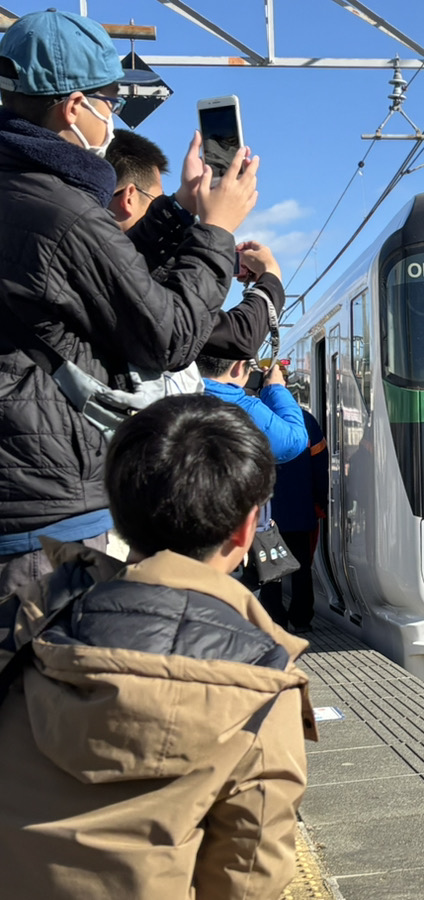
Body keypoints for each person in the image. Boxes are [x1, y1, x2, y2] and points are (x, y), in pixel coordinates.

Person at [0, 394, 315, 899]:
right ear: (246, 528)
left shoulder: (22, 625)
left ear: (117, 511)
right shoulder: (263, 684)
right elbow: (248, 880)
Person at [0, 10, 259, 594]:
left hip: (21, 486)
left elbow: (89, 276)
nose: (111, 118)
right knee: (50, 682)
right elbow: (167, 335)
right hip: (43, 514)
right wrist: (216, 231)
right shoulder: (59, 208)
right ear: (73, 107)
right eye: (108, 103)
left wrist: (178, 214)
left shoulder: (26, 190)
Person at [107, 128, 286, 362]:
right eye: (157, 200)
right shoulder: (110, 274)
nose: (161, 206)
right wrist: (270, 278)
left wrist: (182, 204)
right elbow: (238, 336)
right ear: (130, 197)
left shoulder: (74, 243)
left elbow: (134, 258)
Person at [260, 405, 329, 632]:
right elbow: (320, 467)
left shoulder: (255, 417)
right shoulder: (305, 420)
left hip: (266, 512)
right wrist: (320, 500)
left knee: (270, 570)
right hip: (300, 507)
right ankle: (301, 620)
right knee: (301, 567)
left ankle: (274, 620)